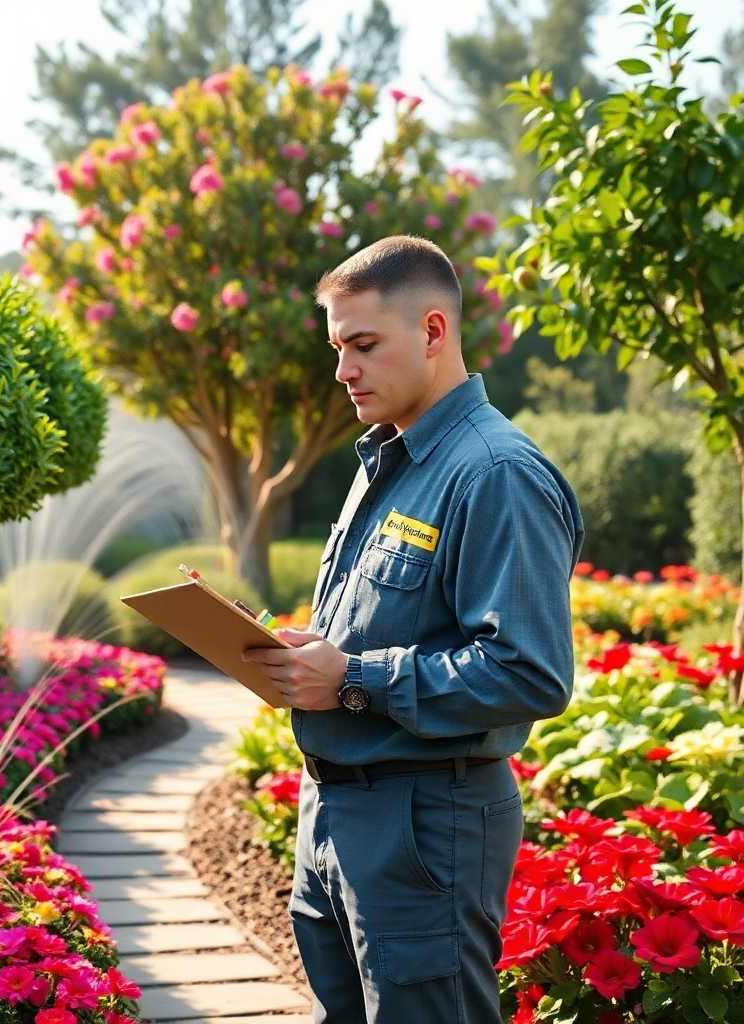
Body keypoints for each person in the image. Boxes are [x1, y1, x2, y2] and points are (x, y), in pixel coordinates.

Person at [243, 235, 584, 1024]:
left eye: (363, 344)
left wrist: (354, 677)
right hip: (333, 812)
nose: (342, 371)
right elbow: (376, 624)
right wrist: (307, 652)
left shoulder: (496, 473)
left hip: (427, 824)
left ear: (433, 332)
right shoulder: (389, 459)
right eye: (337, 347)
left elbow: (530, 671)